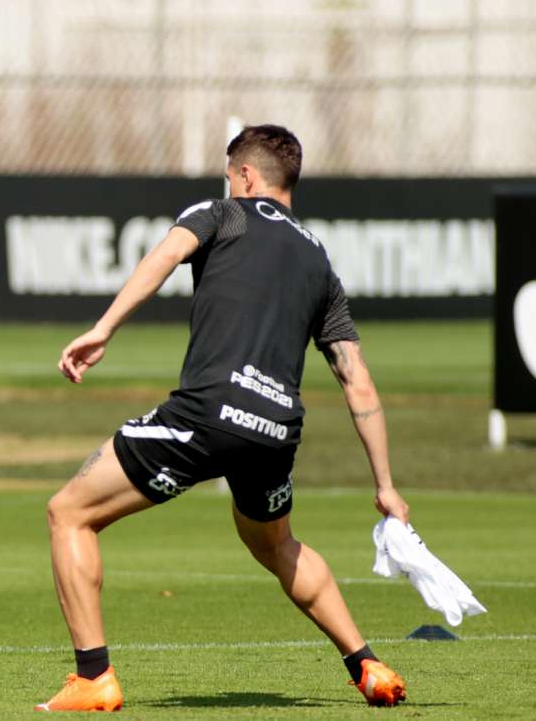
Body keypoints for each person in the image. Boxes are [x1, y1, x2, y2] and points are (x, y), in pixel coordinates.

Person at [37, 125, 410, 711]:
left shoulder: (223, 213)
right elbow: (355, 377)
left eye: (230, 176)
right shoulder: (318, 260)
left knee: (69, 514)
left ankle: (93, 678)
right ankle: (366, 664)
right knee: (275, 543)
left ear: (246, 176)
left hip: (207, 415)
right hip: (276, 432)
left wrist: (103, 329)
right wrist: (385, 485)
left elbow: (166, 254)